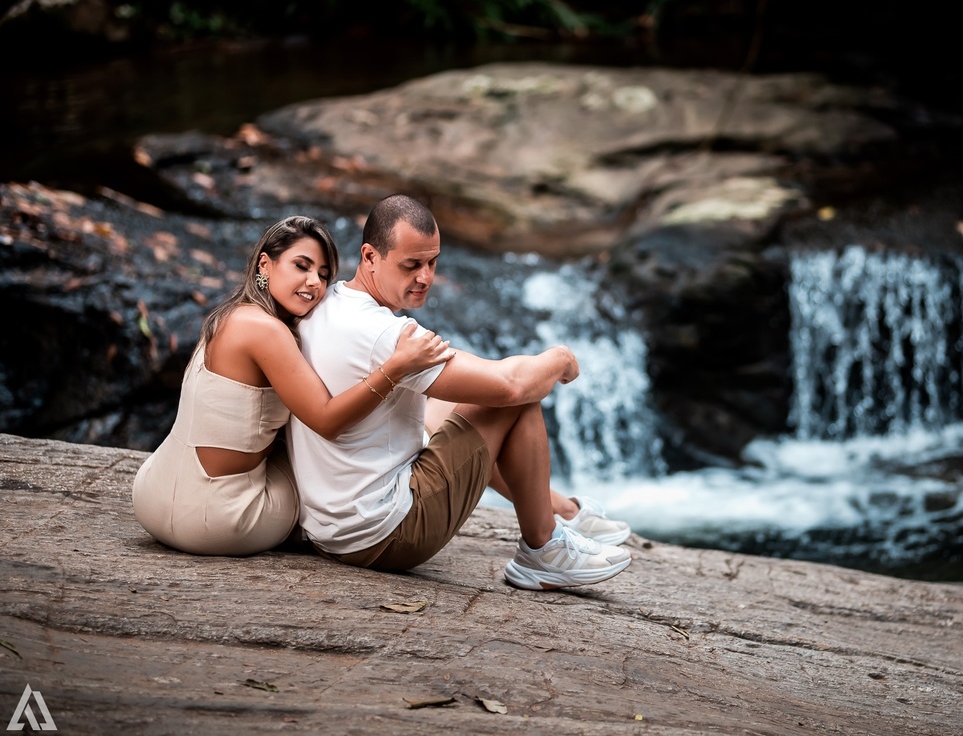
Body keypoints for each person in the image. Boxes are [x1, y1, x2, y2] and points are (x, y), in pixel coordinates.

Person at [287, 194, 632, 590]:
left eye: (432, 262)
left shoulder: (325, 301)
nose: (425, 277)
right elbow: (511, 385)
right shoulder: (385, 334)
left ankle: (564, 511)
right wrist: (560, 358)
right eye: (411, 265)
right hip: (385, 536)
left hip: (331, 525)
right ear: (369, 257)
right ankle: (543, 549)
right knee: (513, 401)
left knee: (453, 401)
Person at [132, 215, 453, 557]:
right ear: (265, 265)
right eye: (302, 266)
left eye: (324, 275)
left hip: (154, 491)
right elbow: (327, 421)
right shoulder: (267, 332)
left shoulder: (229, 316)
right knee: (339, 474)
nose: (314, 282)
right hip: (218, 516)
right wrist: (396, 367)